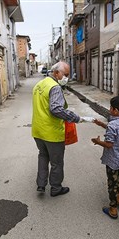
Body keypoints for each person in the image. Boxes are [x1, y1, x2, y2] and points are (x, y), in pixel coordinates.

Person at [31, 61, 92, 197]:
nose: (67, 78)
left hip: (38, 130)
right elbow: (56, 109)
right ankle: (56, 188)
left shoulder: (39, 84)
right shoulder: (55, 87)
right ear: (56, 73)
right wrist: (76, 118)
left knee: (43, 156)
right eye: (66, 74)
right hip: (51, 132)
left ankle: (41, 185)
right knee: (56, 162)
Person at [91, 95, 119, 219]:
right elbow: (113, 130)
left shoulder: (113, 126)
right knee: (118, 176)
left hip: (113, 160)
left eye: (111, 107)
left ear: (116, 111)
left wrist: (98, 142)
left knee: (111, 183)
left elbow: (109, 144)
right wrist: (101, 124)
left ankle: (113, 208)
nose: (109, 109)